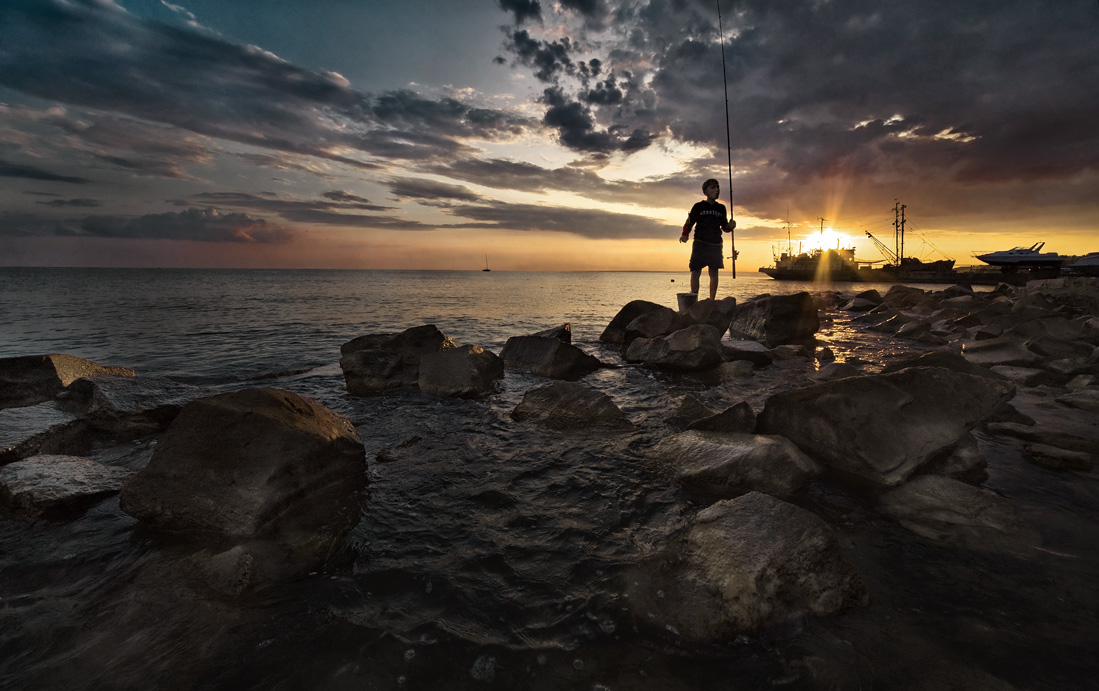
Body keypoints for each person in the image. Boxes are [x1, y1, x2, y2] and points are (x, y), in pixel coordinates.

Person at [680, 178, 735, 300]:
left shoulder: (721, 208)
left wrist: (730, 227)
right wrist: (685, 234)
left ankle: (712, 301)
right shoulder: (698, 206)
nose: (717, 190)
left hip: (715, 245)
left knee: (714, 272)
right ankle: (694, 299)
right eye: (713, 187)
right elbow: (689, 222)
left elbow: (724, 227)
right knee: (695, 271)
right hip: (700, 243)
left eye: (717, 187)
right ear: (705, 191)